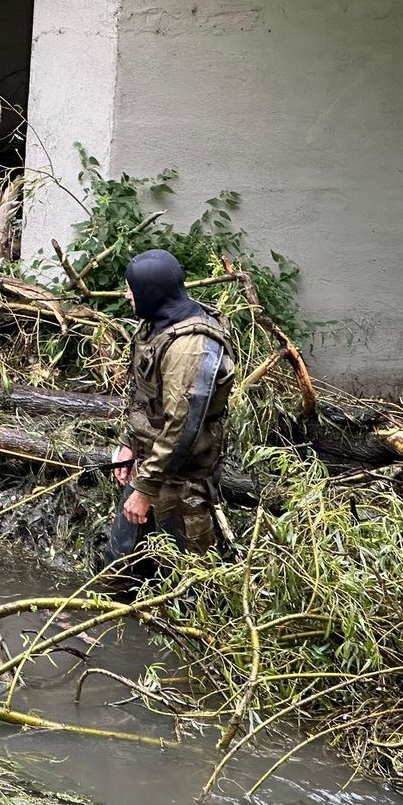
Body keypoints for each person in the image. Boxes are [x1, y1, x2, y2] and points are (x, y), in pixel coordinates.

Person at [105, 248, 235, 588]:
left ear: (152, 292)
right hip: (148, 468)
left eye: (131, 288)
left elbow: (182, 428)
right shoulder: (157, 323)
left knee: (185, 588)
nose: (125, 295)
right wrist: (127, 446)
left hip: (179, 483)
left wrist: (144, 489)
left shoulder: (190, 346)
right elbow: (145, 398)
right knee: (115, 571)